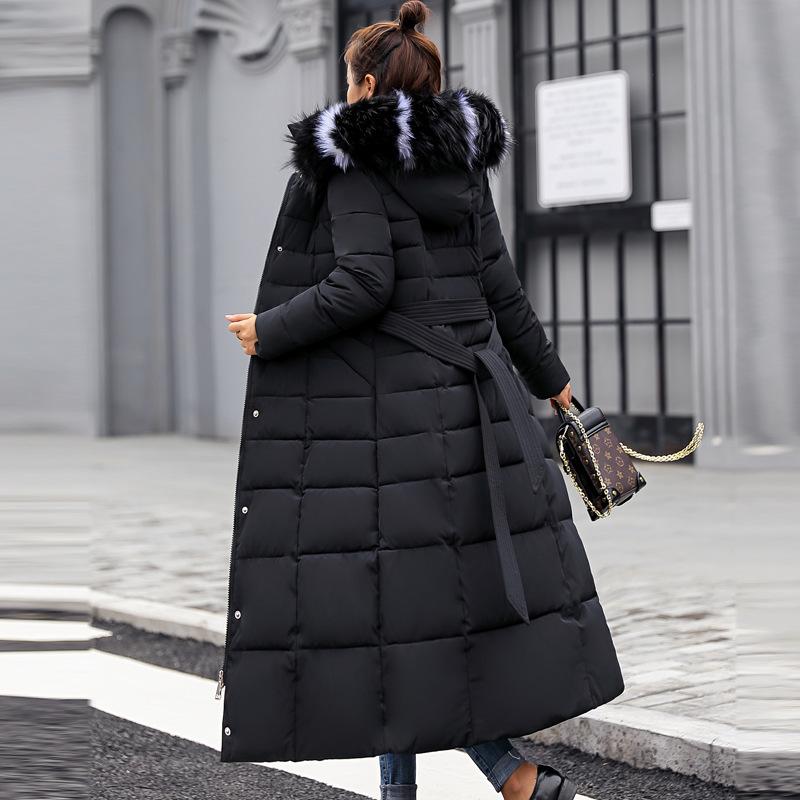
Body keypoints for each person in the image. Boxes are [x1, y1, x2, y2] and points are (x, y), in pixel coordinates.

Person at [221, 3, 624, 799]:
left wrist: (270, 329)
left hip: (394, 423)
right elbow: (504, 290)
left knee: (394, 617)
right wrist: (554, 383)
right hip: (477, 418)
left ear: (367, 86)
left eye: (349, 80)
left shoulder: (356, 161)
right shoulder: (462, 166)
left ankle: (515, 778)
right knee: (416, 620)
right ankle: (495, 781)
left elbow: (364, 283)